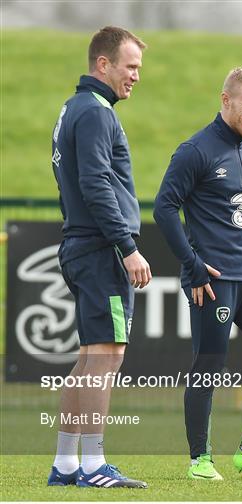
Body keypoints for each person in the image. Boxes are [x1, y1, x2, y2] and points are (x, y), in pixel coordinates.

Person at [154, 67, 242, 480]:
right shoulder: (194, 151)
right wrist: (193, 267)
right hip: (212, 284)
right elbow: (164, 208)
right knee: (209, 366)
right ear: (226, 100)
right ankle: (200, 459)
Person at [48, 26, 152, 488]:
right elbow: (95, 184)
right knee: (107, 357)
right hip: (100, 249)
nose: (135, 76)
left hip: (81, 244)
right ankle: (94, 466)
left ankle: (67, 465)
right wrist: (127, 247)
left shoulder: (75, 107)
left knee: (90, 357)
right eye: (130, 67)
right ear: (103, 64)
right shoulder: (94, 112)